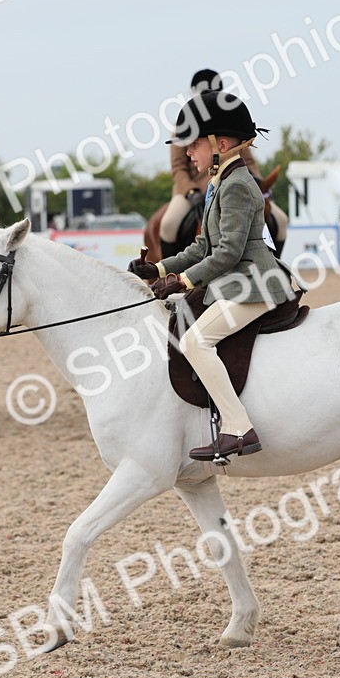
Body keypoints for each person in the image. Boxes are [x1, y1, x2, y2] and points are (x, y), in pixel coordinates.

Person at [130, 90, 294, 462]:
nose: (188, 153)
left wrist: (185, 282)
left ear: (220, 144)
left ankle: (238, 427)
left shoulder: (236, 184)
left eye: (194, 146)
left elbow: (228, 252)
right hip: (239, 279)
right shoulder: (221, 180)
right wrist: (159, 268)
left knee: (195, 343)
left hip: (255, 282)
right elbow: (203, 246)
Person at [159, 70, 288, 254]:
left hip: (230, 183)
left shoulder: (230, 125)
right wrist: (190, 191)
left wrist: (259, 182)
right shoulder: (182, 127)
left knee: (281, 220)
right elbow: (179, 168)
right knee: (168, 224)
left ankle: (275, 264)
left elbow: (249, 162)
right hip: (193, 191)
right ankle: (169, 277)